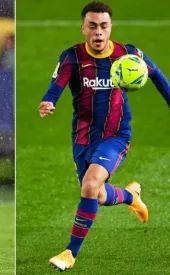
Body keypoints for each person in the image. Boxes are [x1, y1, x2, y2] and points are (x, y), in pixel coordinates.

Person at [39, 2, 170, 271]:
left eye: (104, 26)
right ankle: (131, 196)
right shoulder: (72, 57)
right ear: (83, 27)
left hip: (116, 134)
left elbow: (158, 77)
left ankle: (69, 254)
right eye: (92, 26)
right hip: (83, 137)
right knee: (96, 195)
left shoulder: (128, 54)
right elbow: (56, 86)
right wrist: (47, 101)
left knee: (89, 185)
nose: (98, 32)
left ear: (110, 27)